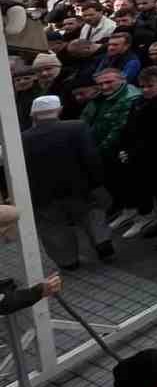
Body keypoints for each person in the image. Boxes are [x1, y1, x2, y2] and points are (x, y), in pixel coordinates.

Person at [21, 94, 113, 267]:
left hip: (43, 194)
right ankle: (102, 241)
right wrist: (97, 182)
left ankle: (68, 260)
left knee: (53, 226)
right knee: (92, 212)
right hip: (79, 186)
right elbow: (91, 157)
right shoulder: (77, 127)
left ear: (33, 115)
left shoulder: (23, 138)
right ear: (59, 110)